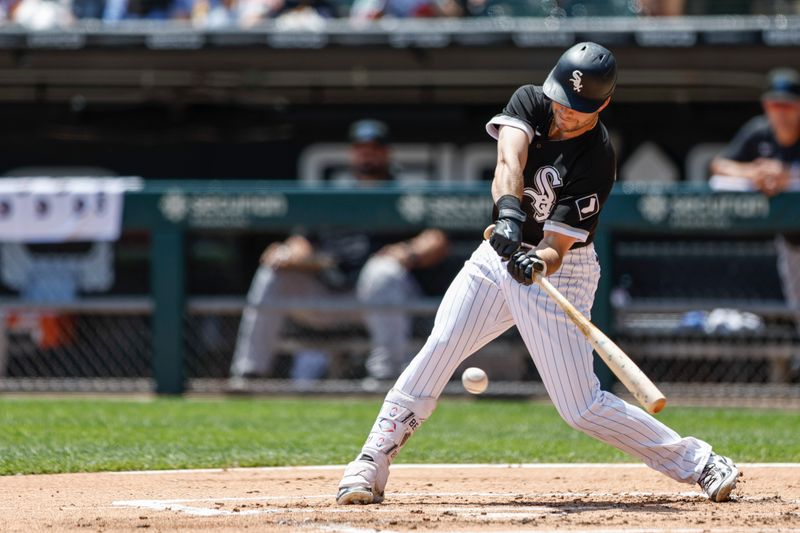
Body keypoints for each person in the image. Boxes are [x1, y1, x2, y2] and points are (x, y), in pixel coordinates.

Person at [336, 42, 741, 506]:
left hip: (559, 273)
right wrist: (508, 213)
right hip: (496, 256)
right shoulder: (531, 99)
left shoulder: (597, 158)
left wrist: (540, 259)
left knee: (582, 407)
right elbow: (509, 161)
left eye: (579, 109)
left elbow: (558, 247)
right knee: (440, 346)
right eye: (562, 102)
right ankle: (370, 460)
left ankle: (701, 462)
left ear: (603, 104)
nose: (565, 113)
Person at [228, 119, 450, 386]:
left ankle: (386, 374)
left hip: (386, 297)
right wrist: (288, 253)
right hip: (331, 292)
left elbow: (435, 239)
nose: (367, 153)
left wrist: (405, 252)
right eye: (361, 147)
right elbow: (303, 240)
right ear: (352, 152)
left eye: (375, 147)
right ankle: (248, 372)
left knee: (381, 271)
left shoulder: (405, 193)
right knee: (273, 272)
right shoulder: (336, 194)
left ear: (386, 152)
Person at [710, 67, 800, 381]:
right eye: (776, 105)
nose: (781, 113)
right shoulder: (759, 132)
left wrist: (788, 172)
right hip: (792, 243)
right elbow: (719, 166)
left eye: (788, 105)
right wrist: (755, 173)